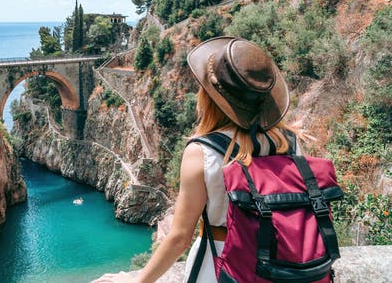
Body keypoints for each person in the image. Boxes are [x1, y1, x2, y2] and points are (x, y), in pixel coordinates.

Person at [93, 36, 300, 283]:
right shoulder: (290, 142)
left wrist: (137, 280)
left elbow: (180, 236)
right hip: (280, 265)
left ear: (211, 97)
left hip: (221, 268)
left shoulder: (203, 152)